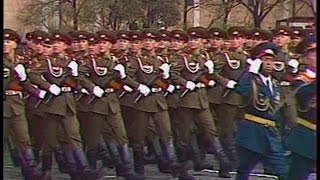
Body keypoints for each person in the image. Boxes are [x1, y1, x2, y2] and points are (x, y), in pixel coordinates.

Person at [28, 30, 102, 180]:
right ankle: (46, 171)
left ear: (66, 46)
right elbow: (33, 75)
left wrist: (75, 75)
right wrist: (47, 86)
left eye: (59, 43)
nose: (55, 45)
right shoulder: (46, 61)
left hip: (68, 102)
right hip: (52, 104)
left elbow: (76, 83)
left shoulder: (69, 62)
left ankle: (83, 168)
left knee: (74, 135)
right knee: (49, 139)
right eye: (53, 43)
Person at [223, 42, 289, 180]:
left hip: (271, 135)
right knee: (243, 172)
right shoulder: (251, 80)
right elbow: (241, 90)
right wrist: (251, 72)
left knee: (283, 171)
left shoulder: (275, 83)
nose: (269, 63)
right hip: (252, 133)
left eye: (271, 60)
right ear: (258, 62)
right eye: (265, 60)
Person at [3, 28, 46, 180]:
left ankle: (31, 172)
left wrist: (38, 93)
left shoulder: (19, 61)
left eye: (8, 41)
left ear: (15, 44)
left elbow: (26, 83)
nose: (5, 44)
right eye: (3, 41)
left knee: (24, 138)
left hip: (16, 105)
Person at [285, 47, 316, 180]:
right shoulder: (302, 81)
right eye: (314, 55)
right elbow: (303, 97)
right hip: (306, 136)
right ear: (306, 59)